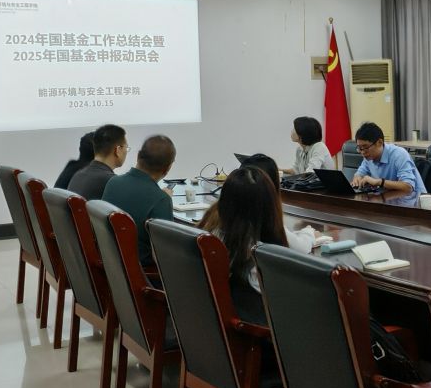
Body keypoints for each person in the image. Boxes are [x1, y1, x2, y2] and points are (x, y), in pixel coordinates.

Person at [197, 166, 287, 326]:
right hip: (254, 331)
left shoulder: (213, 236)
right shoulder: (258, 258)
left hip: (212, 324)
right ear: (270, 206)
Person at [101, 135, 176, 267]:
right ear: (168, 168)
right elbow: (165, 257)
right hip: (143, 275)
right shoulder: (161, 200)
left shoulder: (112, 183)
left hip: (110, 268)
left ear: (138, 156)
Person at [239, 154, 319, 253]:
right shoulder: (266, 218)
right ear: (272, 185)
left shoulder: (233, 217)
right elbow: (301, 247)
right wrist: (309, 233)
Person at [350, 122, 426, 194]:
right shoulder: (368, 157)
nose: (363, 152)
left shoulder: (399, 155)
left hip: (414, 200)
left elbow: (408, 187)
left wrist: (379, 182)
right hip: (390, 198)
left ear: (379, 142)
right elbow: (360, 173)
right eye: (360, 148)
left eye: (366, 147)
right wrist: (357, 178)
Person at [67, 124, 128, 201]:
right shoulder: (112, 183)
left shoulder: (77, 176)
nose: (126, 152)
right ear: (118, 150)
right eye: (126, 148)